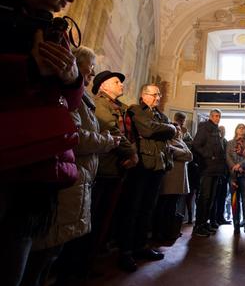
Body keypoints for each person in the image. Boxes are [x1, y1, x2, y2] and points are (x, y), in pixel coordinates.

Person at [0, 0, 82, 285]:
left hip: (34, 170)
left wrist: (72, 77)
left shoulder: (52, 30)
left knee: (15, 262)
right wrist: (28, 69)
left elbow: (71, 104)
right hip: (9, 153)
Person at [25, 47, 119, 285]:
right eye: (88, 72)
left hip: (79, 176)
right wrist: (109, 141)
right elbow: (75, 135)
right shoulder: (69, 96)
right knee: (44, 253)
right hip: (67, 176)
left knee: (53, 251)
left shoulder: (80, 97)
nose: (90, 76)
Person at [118, 84, 176, 272]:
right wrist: (169, 129)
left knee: (147, 209)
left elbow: (169, 130)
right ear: (143, 96)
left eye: (159, 94)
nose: (158, 97)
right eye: (154, 94)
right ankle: (125, 251)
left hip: (158, 166)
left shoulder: (160, 115)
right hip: (142, 166)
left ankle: (141, 246)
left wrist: (167, 128)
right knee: (133, 209)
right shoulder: (136, 110)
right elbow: (148, 130)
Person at [91, 70, 138, 272]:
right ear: (103, 86)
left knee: (106, 216)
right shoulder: (101, 103)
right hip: (104, 167)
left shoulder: (120, 107)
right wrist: (132, 153)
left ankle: (96, 254)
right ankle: (86, 261)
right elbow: (111, 129)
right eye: (116, 82)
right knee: (96, 215)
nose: (121, 85)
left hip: (116, 168)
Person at [192, 109, 226, 237]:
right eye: (215, 116)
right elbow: (196, 145)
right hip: (207, 169)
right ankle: (198, 226)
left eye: (219, 116)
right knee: (204, 198)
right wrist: (209, 156)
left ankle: (204, 224)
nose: (218, 118)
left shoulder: (216, 130)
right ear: (210, 116)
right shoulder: (205, 127)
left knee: (211, 198)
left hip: (216, 170)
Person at [155, 123, 192, 241]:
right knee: (164, 207)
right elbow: (169, 151)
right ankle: (160, 232)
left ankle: (170, 231)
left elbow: (190, 156)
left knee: (173, 207)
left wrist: (178, 152)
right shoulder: (166, 140)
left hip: (179, 179)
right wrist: (182, 153)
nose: (178, 131)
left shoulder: (181, 141)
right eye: (176, 129)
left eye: (179, 129)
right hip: (169, 178)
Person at [226, 124, 245, 234]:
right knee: (234, 200)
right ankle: (236, 223)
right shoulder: (229, 143)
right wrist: (234, 167)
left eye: (243, 127)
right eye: (239, 127)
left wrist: (240, 165)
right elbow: (227, 157)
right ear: (236, 130)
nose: (242, 129)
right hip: (233, 175)